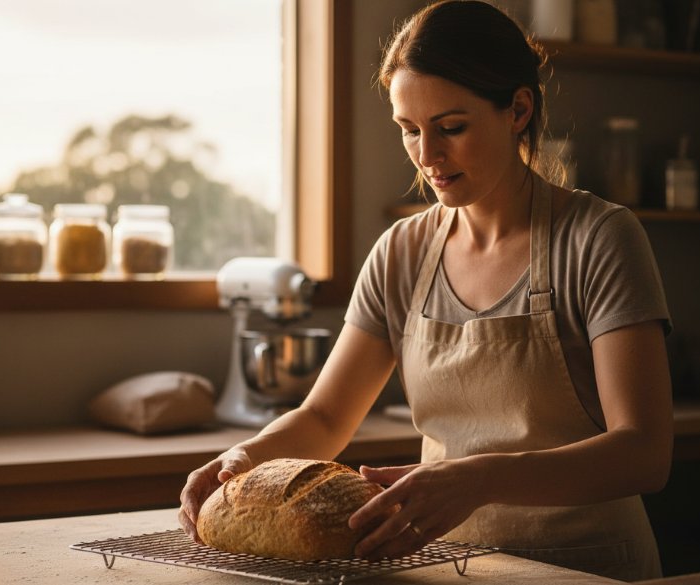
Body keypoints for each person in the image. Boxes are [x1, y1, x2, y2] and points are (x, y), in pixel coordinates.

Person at [179, 0, 673, 580]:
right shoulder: (401, 252)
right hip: (449, 568)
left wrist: (480, 478)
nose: (427, 156)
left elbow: (642, 453)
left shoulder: (598, 239)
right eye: (409, 130)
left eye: (452, 128)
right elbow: (326, 415)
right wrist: (247, 457)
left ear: (518, 109)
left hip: (588, 567)